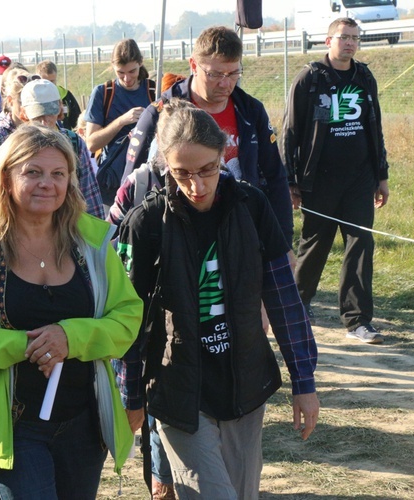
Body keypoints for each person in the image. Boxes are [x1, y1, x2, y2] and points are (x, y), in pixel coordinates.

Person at [117, 99, 319, 499]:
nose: (197, 186)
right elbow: (128, 322)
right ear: (164, 166)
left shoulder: (253, 207)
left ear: (225, 153)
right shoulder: (145, 224)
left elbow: (283, 299)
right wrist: (132, 396)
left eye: (208, 169)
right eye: (182, 174)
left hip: (244, 381)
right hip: (177, 389)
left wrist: (304, 381)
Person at [0, 123, 142, 500]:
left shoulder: (93, 244)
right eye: (33, 172)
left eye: (58, 174)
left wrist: (69, 338)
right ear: (7, 178)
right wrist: (25, 345)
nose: (47, 183)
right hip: (11, 429)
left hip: (83, 425)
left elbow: (126, 318)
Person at [124, 26, 293, 250]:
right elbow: (131, 184)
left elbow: (275, 178)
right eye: (214, 74)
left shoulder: (251, 111)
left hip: (239, 235)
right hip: (176, 239)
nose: (225, 83)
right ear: (193, 65)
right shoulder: (159, 113)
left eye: (233, 73)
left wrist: (283, 243)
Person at [280, 17, 389, 345]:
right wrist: (290, 181)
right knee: (315, 245)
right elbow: (289, 132)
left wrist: (381, 176)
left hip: (360, 179)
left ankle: (358, 321)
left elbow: (375, 128)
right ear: (328, 41)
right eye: (343, 37)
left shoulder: (364, 76)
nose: (350, 43)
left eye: (355, 37)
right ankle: (296, 307)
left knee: (360, 245)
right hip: (320, 181)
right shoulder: (310, 79)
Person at [0, 72, 104, 219]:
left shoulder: (73, 142)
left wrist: (97, 236)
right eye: (38, 116)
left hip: (65, 225)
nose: (45, 122)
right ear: (24, 113)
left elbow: (90, 195)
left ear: (60, 109)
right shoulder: (1, 140)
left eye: (50, 114)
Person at [83, 39, 155, 170]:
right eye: (121, 73)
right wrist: (122, 121)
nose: (127, 79)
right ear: (113, 67)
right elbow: (91, 144)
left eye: (132, 71)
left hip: (147, 172)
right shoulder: (103, 93)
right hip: (113, 177)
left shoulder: (154, 91)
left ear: (140, 63)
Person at [36, 60, 81, 131]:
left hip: (64, 138)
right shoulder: (34, 98)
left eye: (52, 81)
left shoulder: (65, 95)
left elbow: (77, 122)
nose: (49, 85)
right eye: (46, 81)